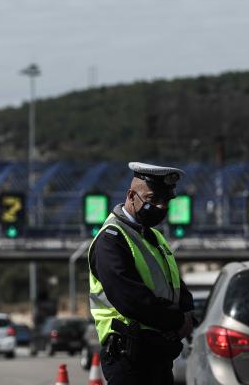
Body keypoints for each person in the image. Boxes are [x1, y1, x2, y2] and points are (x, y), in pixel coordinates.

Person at [88, 162, 195, 385]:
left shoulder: (156, 238)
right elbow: (130, 299)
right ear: (131, 195)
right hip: (129, 356)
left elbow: (174, 284)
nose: (160, 206)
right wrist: (176, 321)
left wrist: (188, 313)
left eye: (166, 201)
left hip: (159, 354)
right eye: (152, 199)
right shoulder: (112, 239)